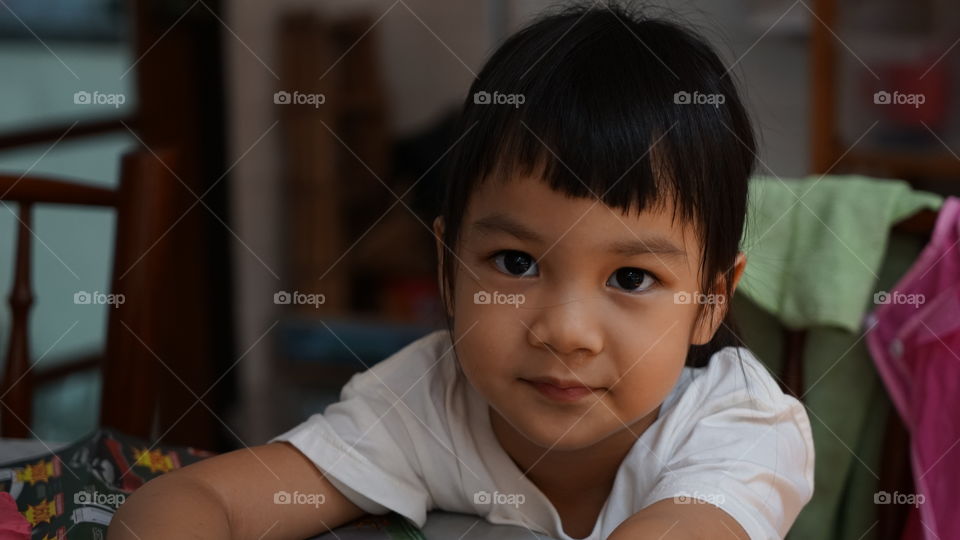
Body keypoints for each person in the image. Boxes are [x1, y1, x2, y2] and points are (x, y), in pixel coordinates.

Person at [109, 2, 814, 538]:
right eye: (515, 263)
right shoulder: (425, 401)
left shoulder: (744, 427)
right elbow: (189, 500)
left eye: (631, 277)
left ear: (710, 302)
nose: (565, 332)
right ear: (447, 270)